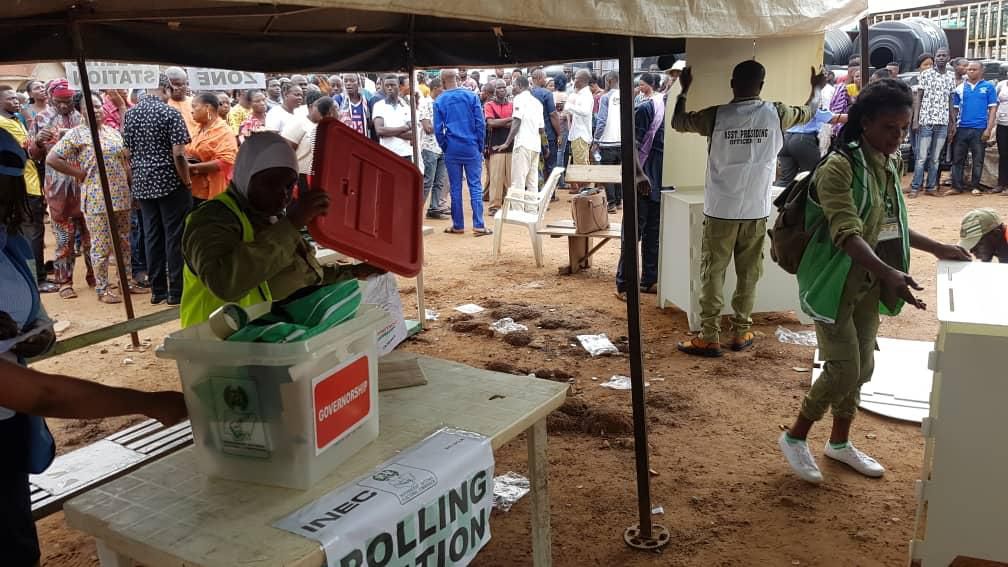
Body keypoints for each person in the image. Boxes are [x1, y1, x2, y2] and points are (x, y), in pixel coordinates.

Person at [778, 79, 971, 484]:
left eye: (904, 128)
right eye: (889, 128)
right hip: (831, 280)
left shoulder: (886, 162)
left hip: (865, 279)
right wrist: (889, 273)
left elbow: (890, 224)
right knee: (844, 366)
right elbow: (847, 232)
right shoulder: (839, 168)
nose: (898, 137)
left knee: (864, 365)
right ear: (865, 122)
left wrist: (937, 248)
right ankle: (796, 436)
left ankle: (840, 443)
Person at [671, 61, 822, 357]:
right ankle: (741, 331)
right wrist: (816, 87)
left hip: (720, 209)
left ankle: (709, 336)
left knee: (712, 273)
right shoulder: (777, 113)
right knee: (749, 273)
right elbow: (810, 111)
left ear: (732, 83)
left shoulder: (716, 116)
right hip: (756, 208)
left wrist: (684, 90)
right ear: (761, 86)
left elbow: (678, 121)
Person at [180, 132, 384, 327]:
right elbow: (225, 283)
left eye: (289, 185)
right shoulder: (211, 220)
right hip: (215, 347)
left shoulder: (269, 216)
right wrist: (293, 223)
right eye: (270, 184)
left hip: (262, 342)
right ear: (245, 176)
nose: (282, 194)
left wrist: (356, 272)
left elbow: (302, 278)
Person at [47, 93, 146, 304]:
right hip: (96, 198)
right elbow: (52, 158)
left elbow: (125, 162)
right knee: (101, 246)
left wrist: (132, 189)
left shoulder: (112, 132)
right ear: (81, 111)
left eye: (99, 105)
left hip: (121, 195)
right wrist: (78, 174)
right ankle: (102, 288)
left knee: (124, 242)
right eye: (91, 106)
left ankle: (126, 282)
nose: (97, 110)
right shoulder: (76, 135)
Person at [122, 73, 192, 306]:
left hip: (142, 182)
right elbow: (179, 153)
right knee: (174, 235)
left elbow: (127, 153)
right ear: (166, 88)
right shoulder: (171, 113)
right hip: (170, 180)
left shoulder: (131, 114)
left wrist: (137, 178)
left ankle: (158, 291)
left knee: (151, 234)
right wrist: (186, 181)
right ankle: (176, 292)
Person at [32, 79, 91, 300]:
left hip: (83, 185)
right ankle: (65, 281)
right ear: (51, 98)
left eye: (68, 101)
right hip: (57, 188)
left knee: (90, 236)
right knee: (64, 239)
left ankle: (94, 276)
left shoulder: (82, 118)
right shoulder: (41, 119)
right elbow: (34, 155)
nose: (65, 105)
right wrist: (37, 141)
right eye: (60, 101)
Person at [615, 72, 667, 301]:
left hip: (663, 183)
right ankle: (625, 284)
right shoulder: (649, 109)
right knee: (633, 232)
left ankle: (649, 280)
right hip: (643, 180)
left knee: (654, 233)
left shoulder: (678, 114)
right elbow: (630, 144)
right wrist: (637, 175)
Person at [0, 86, 54, 294]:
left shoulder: (14, 120)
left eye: (16, 98)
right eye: (10, 99)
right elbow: (27, 150)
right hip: (23, 186)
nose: (16, 102)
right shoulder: (4, 125)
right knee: (32, 232)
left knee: (31, 232)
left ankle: (35, 275)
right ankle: (37, 279)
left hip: (28, 182)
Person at [434, 69, 490, 236]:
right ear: (457, 78)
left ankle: (458, 224)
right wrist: (479, 145)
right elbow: (481, 124)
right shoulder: (471, 96)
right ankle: (479, 224)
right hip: (471, 145)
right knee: (475, 185)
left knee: (455, 187)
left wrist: (445, 146)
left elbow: (438, 130)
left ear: (442, 81)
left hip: (452, 147)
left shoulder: (440, 100)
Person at [910, 47, 955, 198]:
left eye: (944, 55)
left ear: (949, 58)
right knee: (922, 157)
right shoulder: (926, 74)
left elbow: (950, 99)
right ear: (935, 58)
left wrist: (952, 122)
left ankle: (931, 187)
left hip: (942, 121)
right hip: (926, 120)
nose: (941, 58)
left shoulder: (950, 76)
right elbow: (919, 97)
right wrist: (915, 119)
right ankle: (916, 187)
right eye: (938, 55)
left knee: (935, 158)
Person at [949, 60, 997, 196]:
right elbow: (955, 110)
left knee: (978, 159)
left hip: (980, 128)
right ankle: (956, 186)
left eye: (974, 69)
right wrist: (952, 127)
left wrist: (989, 129)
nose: (970, 71)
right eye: (969, 69)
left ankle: (975, 186)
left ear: (981, 71)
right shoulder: (960, 88)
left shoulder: (988, 87)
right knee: (958, 159)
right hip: (962, 128)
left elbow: (993, 108)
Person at [494, 74, 544, 200]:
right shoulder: (537, 102)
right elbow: (541, 129)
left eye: (514, 85)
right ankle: (531, 212)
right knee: (532, 182)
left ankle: (517, 212)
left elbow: (517, 121)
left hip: (522, 145)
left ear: (520, 86)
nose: (513, 88)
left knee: (518, 181)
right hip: (535, 146)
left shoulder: (519, 99)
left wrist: (506, 143)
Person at [186, 92, 238, 204]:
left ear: (207, 107)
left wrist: (193, 168)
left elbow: (225, 161)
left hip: (214, 188)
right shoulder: (197, 129)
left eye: (195, 106)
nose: (192, 111)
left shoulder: (224, 131)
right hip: (195, 188)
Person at [775, 108, 845, 187]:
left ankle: (775, 198)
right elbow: (832, 118)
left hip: (785, 140)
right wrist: (856, 115)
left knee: (785, 179)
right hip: (802, 141)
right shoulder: (810, 104)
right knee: (811, 176)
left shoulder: (792, 104)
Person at [282, 92, 334, 192]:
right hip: (300, 177)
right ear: (311, 106)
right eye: (320, 107)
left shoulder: (326, 125)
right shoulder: (298, 124)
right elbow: (285, 151)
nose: (324, 111)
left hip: (321, 177)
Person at [419, 77, 449, 219]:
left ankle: (434, 209)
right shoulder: (426, 103)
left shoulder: (441, 104)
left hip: (441, 147)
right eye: (443, 88)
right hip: (429, 147)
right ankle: (417, 212)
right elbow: (428, 128)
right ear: (437, 88)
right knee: (427, 181)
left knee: (439, 182)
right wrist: (444, 127)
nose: (444, 91)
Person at [593, 71, 622, 211]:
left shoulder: (605, 98)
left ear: (609, 80)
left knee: (608, 173)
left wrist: (596, 140)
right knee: (618, 172)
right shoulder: (627, 95)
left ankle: (611, 203)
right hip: (623, 142)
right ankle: (619, 201)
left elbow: (602, 120)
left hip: (607, 142)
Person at [484, 79, 513, 215]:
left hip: (511, 145)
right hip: (495, 145)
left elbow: (515, 124)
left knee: (510, 178)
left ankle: (510, 205)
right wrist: (508, 120)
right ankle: (494, 206)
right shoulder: (489, 105)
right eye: (498, 87)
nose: (502, 90)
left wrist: (499, 122)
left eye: (503, 87)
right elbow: (491, 123)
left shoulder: (512, 105)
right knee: (496, 178)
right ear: (494, 90)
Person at [530, 69, 563, 186]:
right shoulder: (546, 93)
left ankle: (537, 190)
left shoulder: (527, 93)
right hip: (548, 134)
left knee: (535, 165)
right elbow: (553, 115)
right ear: (539, 79)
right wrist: (559, 133)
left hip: (532, 135)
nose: (546, 80)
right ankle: (550, 194)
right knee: (551, 164)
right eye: (544, 78)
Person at [372, 75, 415, 162]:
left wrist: (389, 132)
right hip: (387, 154)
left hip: (405, 154)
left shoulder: (405, 106)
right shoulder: (379, 106)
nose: (389, 88)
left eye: (392, 85)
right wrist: (404, 128)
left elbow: (412, 134)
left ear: (399, 87)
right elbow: (380, 131)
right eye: (387, 86)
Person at [564, 69, 595, 193]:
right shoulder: (580, 94)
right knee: (580, 162)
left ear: (581, 80)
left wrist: (569, 106)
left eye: (575, 78)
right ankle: (584, 189)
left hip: (581, 134)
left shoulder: (586, 95)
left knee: (582, 164)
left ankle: (586, 190)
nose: (573, 80)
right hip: (577, 133)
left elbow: (585, 111)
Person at [829, 57, 861, 139]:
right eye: (856, 76)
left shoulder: (868, 89)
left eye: (860, 76)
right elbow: (838, 108)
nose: (858, 78)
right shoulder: (844, 89)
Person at [164, 66, 197, 137]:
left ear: (186, 84)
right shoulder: (163, 106)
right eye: (171, 85)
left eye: (178, 84)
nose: (175, 88)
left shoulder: (196, 103)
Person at [338, 73, 371, 138]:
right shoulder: (339, 99)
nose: (348, 83)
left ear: (358, 82)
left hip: (362, 142)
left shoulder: (365, 101)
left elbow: (369, 123)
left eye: (352, 81)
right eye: (345, 81)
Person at [995, 74, 1008, 194]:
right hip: (1002, 124)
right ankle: (1001, 184)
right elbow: (995, 103)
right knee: (1003, 154)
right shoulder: (1001, 85)